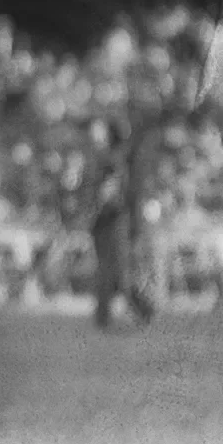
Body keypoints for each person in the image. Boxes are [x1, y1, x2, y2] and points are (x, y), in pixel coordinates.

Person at [86, 116, 156, 330]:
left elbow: (112, 191)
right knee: (107, 270)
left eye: (98, 129)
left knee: (118, 271)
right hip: (103, 220)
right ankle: (106, 316)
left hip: (114, 218)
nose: (93, 133)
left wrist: (97, 206)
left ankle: (141, 310)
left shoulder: (114, 158)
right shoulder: (101, 157)